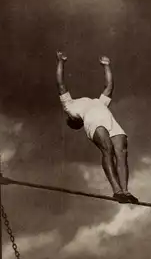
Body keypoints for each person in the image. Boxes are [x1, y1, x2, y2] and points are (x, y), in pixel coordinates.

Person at [56, 51, 138, 204]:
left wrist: (107, 66)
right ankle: (118, 191)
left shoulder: (98, 102)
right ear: (75, 120)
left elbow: (109, 87)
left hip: (109, 120)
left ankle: (126, 191)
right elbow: (60, 84)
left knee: (122, 152)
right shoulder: (70, 107)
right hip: (94, 122)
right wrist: (60, 62)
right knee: (108, 150)